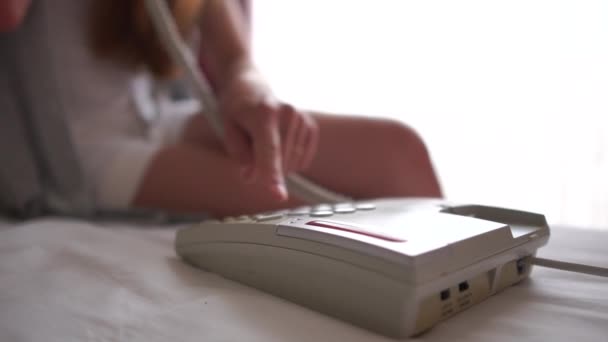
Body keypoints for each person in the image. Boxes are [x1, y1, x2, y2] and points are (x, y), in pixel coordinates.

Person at [1, 0, 442, 218]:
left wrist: (252, 98)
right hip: (80, 153)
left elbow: (235, 61)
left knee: (397, 152)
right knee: (304, 212)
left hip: (154, 121)